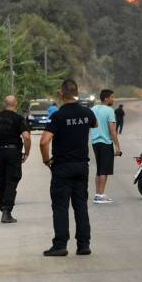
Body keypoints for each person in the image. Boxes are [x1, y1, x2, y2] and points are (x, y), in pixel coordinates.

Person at [40, 79, 97, 257]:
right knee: (80, 205)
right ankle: (83, 245)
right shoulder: (87, 113)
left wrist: (46, 160)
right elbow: (94, 124)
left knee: (60, 206)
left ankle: (60, 245)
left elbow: (44, 141)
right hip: (81, 165)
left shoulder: (58, 116)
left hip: (62, 166)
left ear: (61, 93)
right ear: (77, 92)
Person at [0, 95, 32, 223]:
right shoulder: (19, 118)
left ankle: (3, 206)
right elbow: (26, 137)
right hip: (13, 152)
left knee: (2, 180)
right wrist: (26, 153)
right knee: (12, 180)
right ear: (15, 103)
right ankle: (6, 211)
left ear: (4, 104)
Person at [90, 89, 122, 204]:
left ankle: (98, 194)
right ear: (106, 98)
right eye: (112, 97)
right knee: (104, 170)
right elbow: (112, 131)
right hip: (105, 142)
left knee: (99, 169)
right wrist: (117, 147)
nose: (113, 99)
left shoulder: (93, 109)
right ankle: (101, 195)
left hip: (95, 142)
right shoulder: (109, 110)